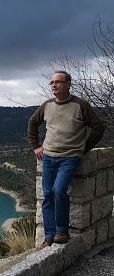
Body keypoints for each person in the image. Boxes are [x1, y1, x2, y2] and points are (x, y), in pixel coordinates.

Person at [28, 71, 105, 248]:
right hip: (48, 157)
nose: (54, 85)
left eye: (58, 82)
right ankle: (49, 237)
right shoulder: (47, 105)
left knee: (59, 190)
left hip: (69, 158)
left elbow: (98, 128)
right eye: (52, 83)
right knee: (47, 195)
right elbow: (32, 123)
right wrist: (36, 146)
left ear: (68, 84)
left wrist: (83, 148)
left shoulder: (80, 105)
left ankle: (62, 231)